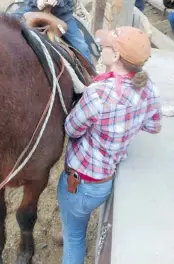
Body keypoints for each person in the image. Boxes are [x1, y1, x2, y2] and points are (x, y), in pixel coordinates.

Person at [57, 26, 162, 264]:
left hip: (78, 183)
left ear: (115, 56)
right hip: (104, 183)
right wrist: (129, 124)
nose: (101, 48)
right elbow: (154, 126)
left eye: (105, 46)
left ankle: (71, 232)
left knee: (74, 238)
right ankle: (71, 226)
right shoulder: (149, 89)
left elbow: (71, 129)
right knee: (76, 223)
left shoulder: (98, 93)